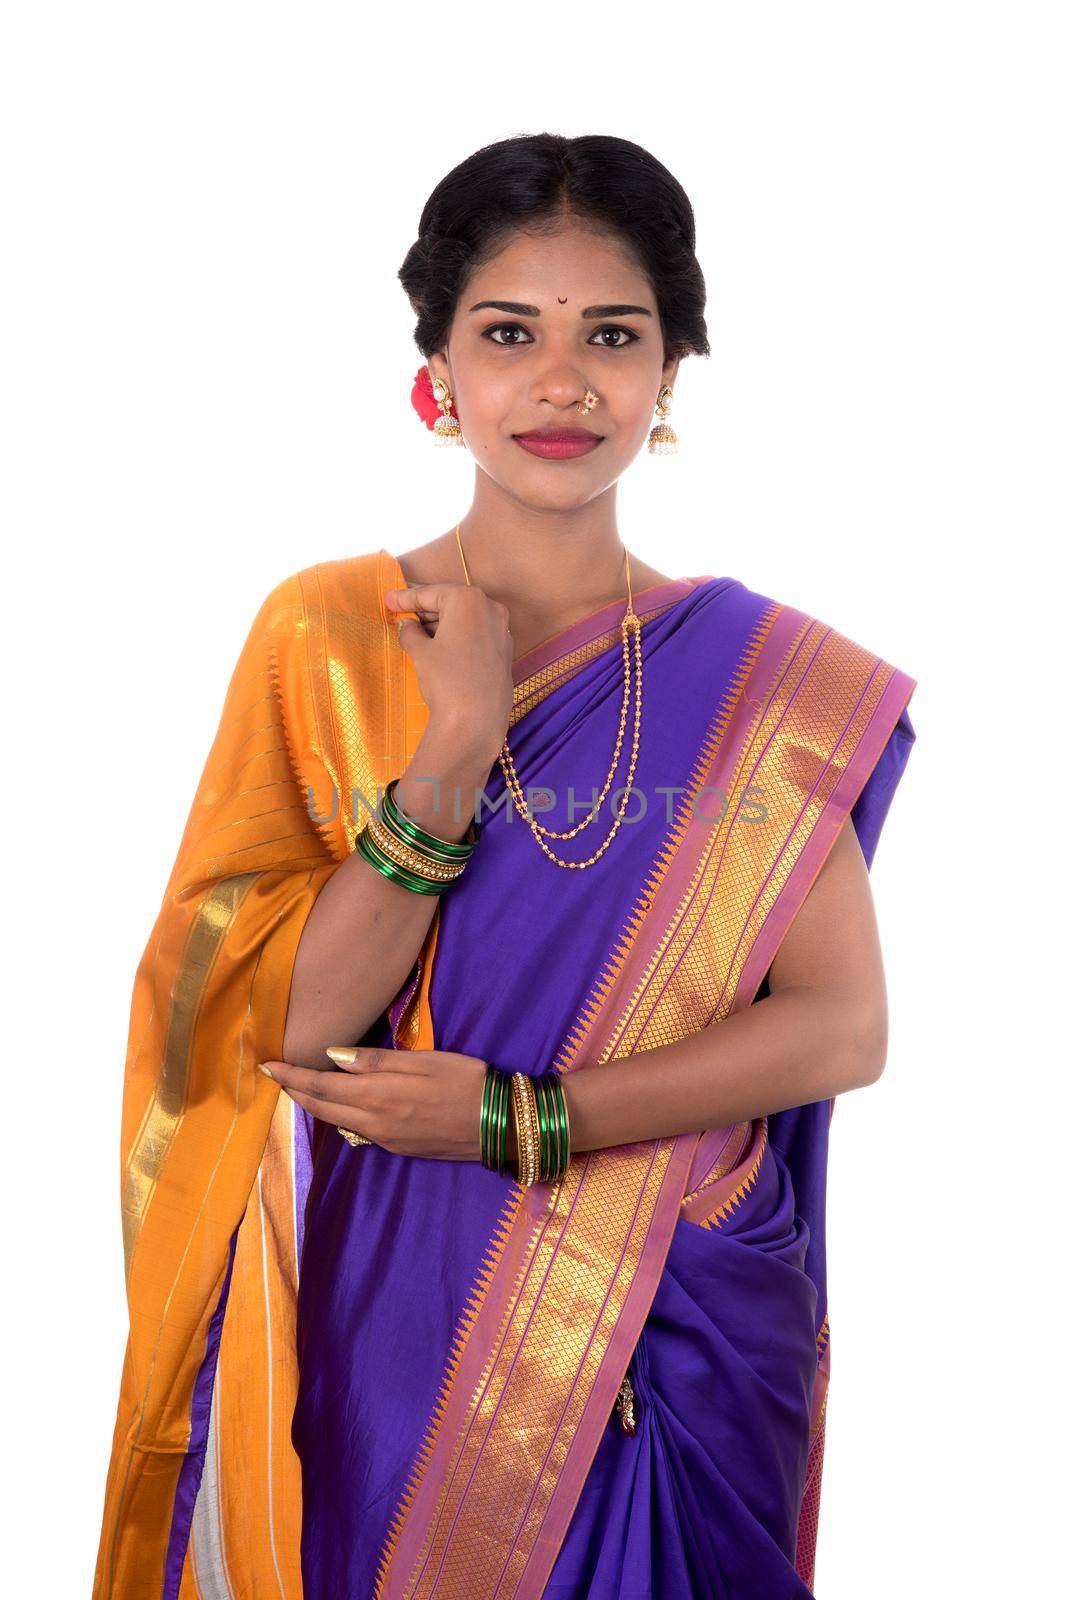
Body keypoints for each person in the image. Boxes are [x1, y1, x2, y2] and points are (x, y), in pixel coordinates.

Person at [93, 133, 917, 1600]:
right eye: (508, 334)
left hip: (673, 1302)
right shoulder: (332, 634)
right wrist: (456, 741)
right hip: (392, 1297)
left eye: (613, 335)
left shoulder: (765, 683)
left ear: (667, 378)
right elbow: (276, 1029)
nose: (562, 383)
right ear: (438, 375)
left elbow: (842, 1027)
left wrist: (523, 1120)